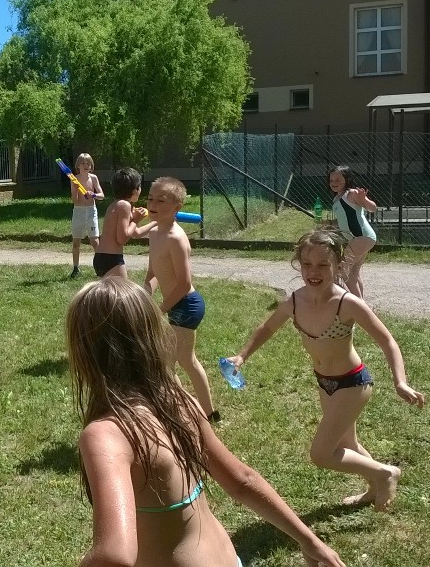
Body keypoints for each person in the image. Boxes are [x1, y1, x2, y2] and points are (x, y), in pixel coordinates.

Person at [67, 277, 346, 567]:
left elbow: (114, 554)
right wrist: (309, 540)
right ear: (152, 336)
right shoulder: (176, 401)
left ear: (84, 349)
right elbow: (242, 481)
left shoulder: (106, 435)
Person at [227, 229, 425, 512]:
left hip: (352, 384)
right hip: (325, 383)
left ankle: (386, 473)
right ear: (298, 264)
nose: (314, 271)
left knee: (321, 454)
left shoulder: (347, 304)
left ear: (338, 266)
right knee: (349, 444)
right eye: (307, 264)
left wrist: (400, 382)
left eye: (323, 264)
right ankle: (374, 486)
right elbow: (267, 328)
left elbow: (387, 341)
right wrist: (242, 356)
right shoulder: (295, 301)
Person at [142, 177, 218, 423]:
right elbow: (154, 272)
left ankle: (187, 413)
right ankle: (206, 413)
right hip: (174, 305)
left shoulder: (175, 238)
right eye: (150, 198)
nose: (153, 204)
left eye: (161, 200)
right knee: (185, 360)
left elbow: (184, 283)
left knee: (167, 364)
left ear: (177, 206)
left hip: (186, 305)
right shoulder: (155, 233)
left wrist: (161, 308)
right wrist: (146, 292)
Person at [328, 165, 377, 298]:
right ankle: (361, 303)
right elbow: (342, 221)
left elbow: (373, 208)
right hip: (359, 239)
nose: (334, 183)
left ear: (347, 179)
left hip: (361, 237)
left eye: (338, 180)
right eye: (331, 180)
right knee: (354, 273)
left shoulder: (352, 194)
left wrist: (364, 200)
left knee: (343, 271)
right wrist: (328, 224)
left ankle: (357, 304)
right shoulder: (337, 199)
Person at [92, 167, 149, 278]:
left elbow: (136, 233)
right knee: (124, 289)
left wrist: (157, 222)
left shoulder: (116, 204)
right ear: (135, 190)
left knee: (111, 290)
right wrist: (135, 220)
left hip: (102, 256)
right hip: (111, 258)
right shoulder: (124, 205)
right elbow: (121, 239)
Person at [69, 153, 104, 279]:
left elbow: (102, 195)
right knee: (76, 242)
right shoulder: (74, 179)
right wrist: (76, 189)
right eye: (83, 163)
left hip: (91, 211)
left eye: (88, 163)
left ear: (91, 166)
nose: (86, 166)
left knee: (95, 241)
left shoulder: (93, 178)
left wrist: (93, 194)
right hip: (78, 211)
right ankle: (75, 268)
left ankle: (101, 267)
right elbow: (74, 200)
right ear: (78, 165)